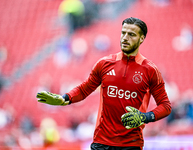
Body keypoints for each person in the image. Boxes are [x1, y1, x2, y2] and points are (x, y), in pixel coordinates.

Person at [36, 17, 172, 150]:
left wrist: (145, 117)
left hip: (130, 144)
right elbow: (84, 89)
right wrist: (64, 99)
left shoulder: (150, 70)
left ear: (141, 38)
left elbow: (165, 106)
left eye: (131, 34)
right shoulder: (104, 64)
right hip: (101, 142)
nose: (125, 38)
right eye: (123, 33)